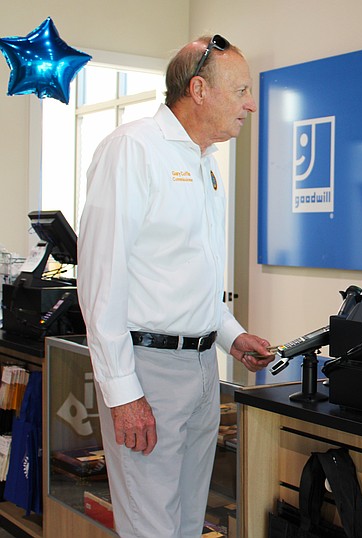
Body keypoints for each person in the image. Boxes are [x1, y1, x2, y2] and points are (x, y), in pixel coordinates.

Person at [77, 35, 274, 538]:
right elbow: (100, 282)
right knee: (151, 528)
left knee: (188, 525)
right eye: (242, 90)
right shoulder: (132, 149)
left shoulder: (205, 165)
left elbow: (192, 278)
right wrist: (123, 393)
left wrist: (231, 335)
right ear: (200, 89)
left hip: (203, 368)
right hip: (148, 371)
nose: (250, 103)